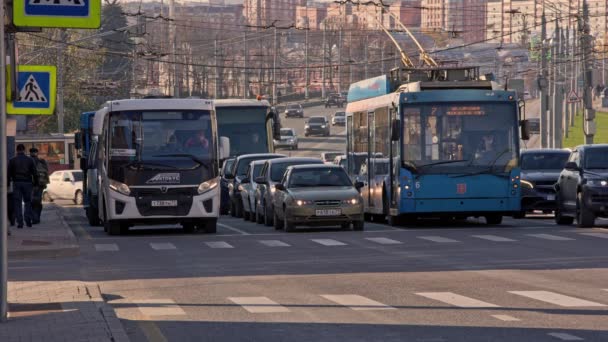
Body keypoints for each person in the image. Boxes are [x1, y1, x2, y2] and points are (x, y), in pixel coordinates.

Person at [8, 144, 39, 228]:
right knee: (28, 202)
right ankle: (28, 219)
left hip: (16, 183)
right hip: (27, 183)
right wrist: (36, 183)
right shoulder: (30, 160)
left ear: (16, 150)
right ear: (24, 150)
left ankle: (20, 222)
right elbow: (35, 173)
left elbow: (8, 173)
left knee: (17, 203)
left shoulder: (12, 160)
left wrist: (7, 184)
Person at [30, 147, 49, 224]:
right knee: (38, 202)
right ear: (37, 153)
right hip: (40, 184)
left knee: (31, 202)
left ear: (30, 153)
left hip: (30, 185)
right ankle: (37, 217)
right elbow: (46, 172)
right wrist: (45, 183)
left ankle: (33, 217)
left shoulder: (28, 161)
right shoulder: (42, 161)